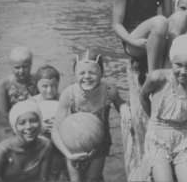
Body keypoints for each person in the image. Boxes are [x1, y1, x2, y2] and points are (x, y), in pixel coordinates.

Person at [52, 49, 129, 182]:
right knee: (75, 180)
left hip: (99, 143)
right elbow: (55, 129)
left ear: (102, 73)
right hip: (73, 144)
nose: (87, 76)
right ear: (75, 74)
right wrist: (68, 154)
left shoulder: (108, 90)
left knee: (93, 178)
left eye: (92, 72)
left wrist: (124, 108)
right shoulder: (69, 94)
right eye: (81, 73)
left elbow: (121, 104)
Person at [139, 34, 187, 182]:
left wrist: (183, 126)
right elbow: (143, 96)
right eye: (178, 65)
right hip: (157, 135)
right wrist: (153, 119)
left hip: (182, 136)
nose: (183, 71)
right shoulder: (157, 78)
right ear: (172, 62)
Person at [0, 100, 52, 182]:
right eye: (22, 123)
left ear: (40, 122)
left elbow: (44, 179)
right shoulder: (3, 151)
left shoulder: (45, 146)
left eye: (33, 121)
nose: (28, 126)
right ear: (15, 126)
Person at [31, 64, 66, 179]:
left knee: (57, 170)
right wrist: (40, 127)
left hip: (59, 144)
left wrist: (60, 124)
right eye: (44, 86)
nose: (50, 90)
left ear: (58, 84)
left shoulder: (64, 100)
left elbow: (72, 122)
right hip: (39, 144)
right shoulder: (32, 102)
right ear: (37, 85)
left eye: (53, 86)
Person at [0, 46, 38, 134]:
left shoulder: (37, 80)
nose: (21, 71)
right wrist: (11, 131)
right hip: (14, 123)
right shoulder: (4, 84)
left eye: (25, 67)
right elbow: (3, 113)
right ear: (11, 66)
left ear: (31, 65)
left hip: (33, 122)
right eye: (17, 67)